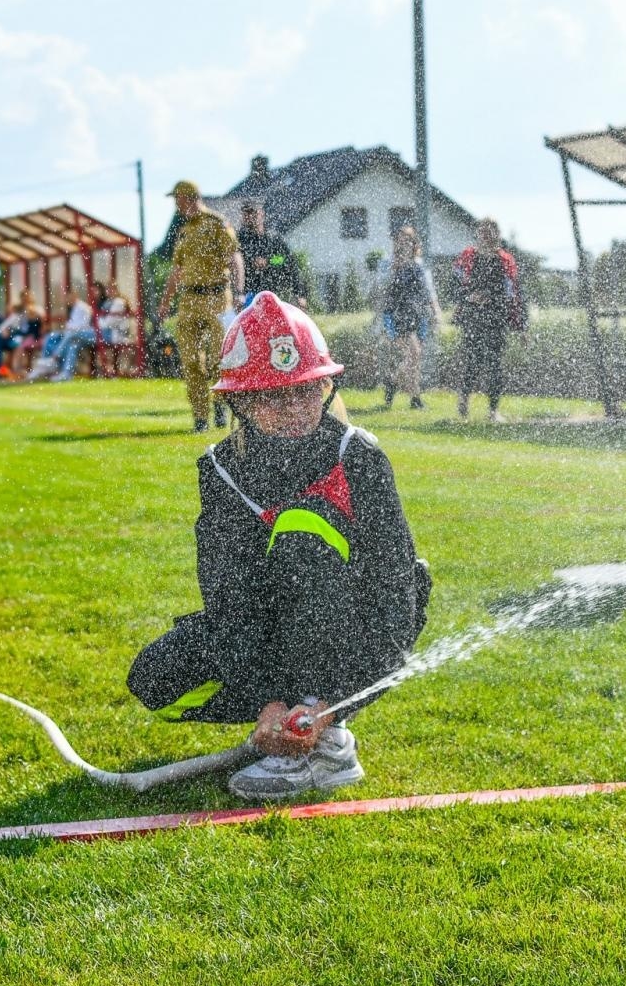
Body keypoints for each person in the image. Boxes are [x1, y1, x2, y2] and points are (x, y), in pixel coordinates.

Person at [126, 291, 432, 799]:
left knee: (301, 529)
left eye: (307, 392)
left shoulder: (359, 457)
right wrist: (266, 697)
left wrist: (329, 700)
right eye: (274, 396)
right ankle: (287, 722)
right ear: (240, 401)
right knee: (155, 678)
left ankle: (325, 738)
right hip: (270, 631)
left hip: (361, 631)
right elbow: (230, 597)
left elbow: (396, 587)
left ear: (327, 388)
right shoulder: (221, 473)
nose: (294, 409)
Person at [158, 180, 243, 432]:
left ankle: (219, 406)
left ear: (190, 197)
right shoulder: (183, 231)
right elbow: (177, 270)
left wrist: (239, 291)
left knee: (219, 358)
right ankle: (200, 417)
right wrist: (165, 304)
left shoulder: (216, 223)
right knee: (191, 360)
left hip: (218, 298)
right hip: (189, 302)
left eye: (178, 199)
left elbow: (234, 256)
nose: (175, 204)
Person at [452, 218, 523, 423]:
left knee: (494, 364)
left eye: (490, 232)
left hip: (496, 317)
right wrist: (468, 297)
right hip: (472, 316)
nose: (485, 236)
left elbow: (513, 292)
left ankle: (493, 411)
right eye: (482, 232)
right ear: (477, 234)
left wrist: (520, 325)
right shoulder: (468, 256)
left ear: (497, 235)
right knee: (472, 361)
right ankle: (464, 399)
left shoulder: (505, 260)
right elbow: (454, 284)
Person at [377, 226, 439, 410]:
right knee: (414, 353)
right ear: (396, 243)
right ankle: (410, 394)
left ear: (414, 244)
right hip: (396, 314)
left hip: (417, 314)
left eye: (409, 240)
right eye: (401, 240)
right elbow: (379, 290)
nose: (405, 243)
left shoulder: (419, 264)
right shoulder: (387, 263)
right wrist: (393, 270)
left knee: (414, 358)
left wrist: (435, 311)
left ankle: (402, 388)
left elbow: (428, 290)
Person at [235, 200, 304, 309]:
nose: (249, 217)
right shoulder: (238, 239)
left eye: (253, 212)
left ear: (261, 213)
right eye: (246, 213)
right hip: (247, 295)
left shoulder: (273, 238)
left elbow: (286, 260)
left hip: (273, 293)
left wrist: (269, 261)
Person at [27, 286, 97, 382]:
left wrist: (69, 327)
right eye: (67, 298)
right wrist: (68, 327)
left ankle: (54, 361)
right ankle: (47, 364)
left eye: (69, 297)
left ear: (75, 295)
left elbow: (83, 326)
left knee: (71, 340)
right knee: (50, 337)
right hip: (71, 335)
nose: (68, 300)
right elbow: (71, 325)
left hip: (81, 336)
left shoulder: (83, 308)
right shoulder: (73, 308)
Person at [0, 292, 44, 380]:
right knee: (12, 345)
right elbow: (5, 326)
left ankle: (15, 371)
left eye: (26, 298)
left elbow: (39, 322)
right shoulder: (19, 311)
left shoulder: (36, 310)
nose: (25, 301)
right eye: (23, 299)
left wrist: (30, 311)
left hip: (32, 337)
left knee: (17, 346)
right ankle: (10, 371)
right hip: (20, 335)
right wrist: (6, 330)